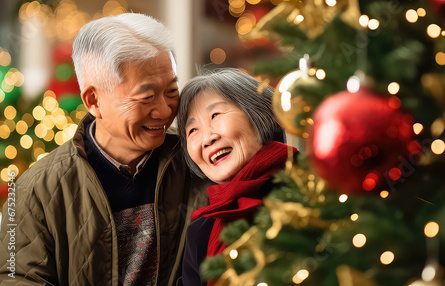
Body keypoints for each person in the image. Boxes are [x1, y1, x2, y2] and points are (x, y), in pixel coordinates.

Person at [0, 13, 207, 285]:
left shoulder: (197, 160)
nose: (166, 110)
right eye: (146, 97)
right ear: (94, 100)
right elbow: (17, 277)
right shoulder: (36, 189)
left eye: (171, 91)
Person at [176, 69, 297, 285]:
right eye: (192, 130)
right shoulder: (199, 234)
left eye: (215, 115)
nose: (207, 139)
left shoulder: (307, 187)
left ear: (258, 113)